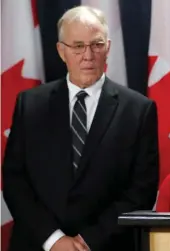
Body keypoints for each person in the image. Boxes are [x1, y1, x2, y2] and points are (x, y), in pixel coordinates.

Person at [2, 6, 158, 251]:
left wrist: (87, 241)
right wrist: (54, 240)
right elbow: (14, 180)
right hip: (37, 244)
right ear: (61, 51)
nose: (88, 55)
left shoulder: (139, 110)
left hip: (107, 245)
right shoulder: (29, 104)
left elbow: (141, 190)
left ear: (108, 47)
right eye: (78, 46)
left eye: (96, 45)